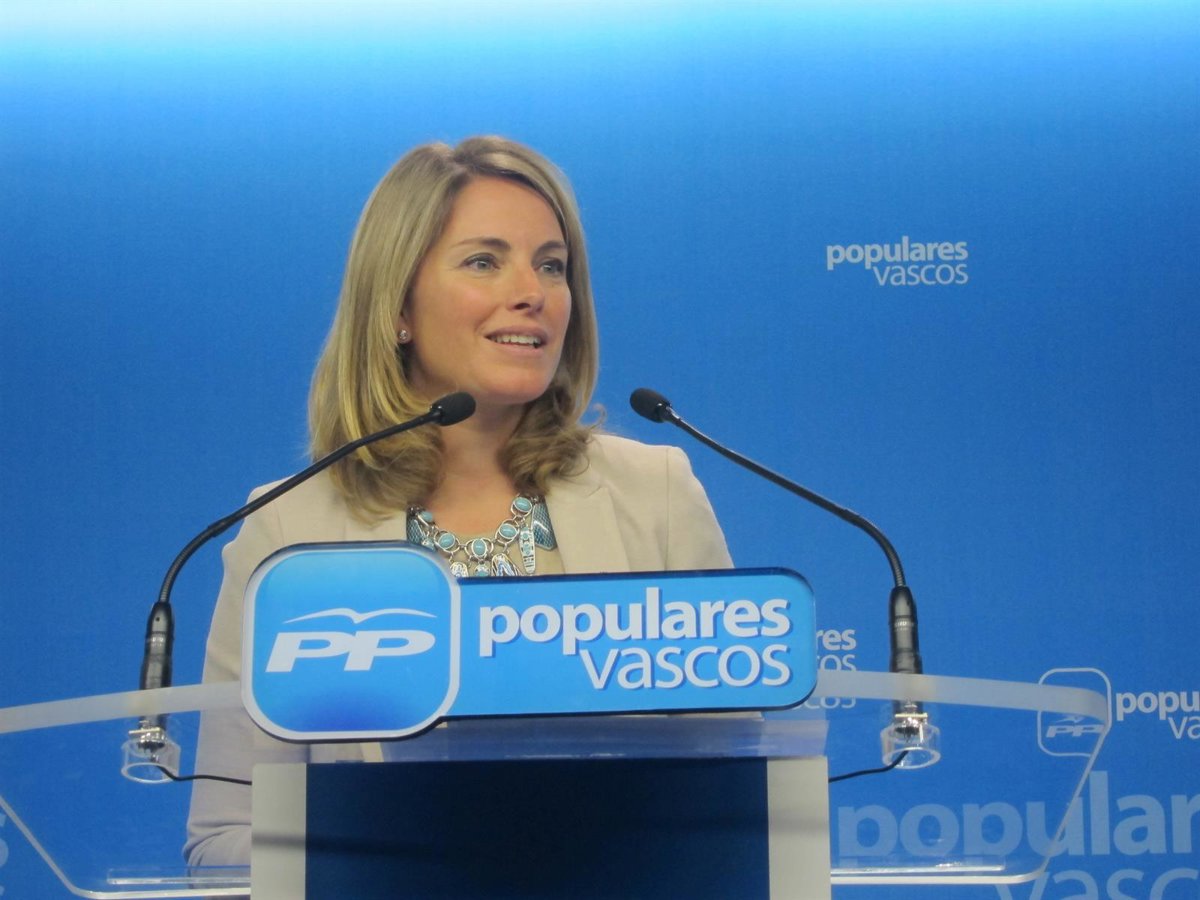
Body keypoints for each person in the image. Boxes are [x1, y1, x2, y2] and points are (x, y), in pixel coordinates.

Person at [184, 136, 731, 867]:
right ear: (398, 305)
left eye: (552, 265)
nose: (532, 292)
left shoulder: (656, 494)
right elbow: (226, 836)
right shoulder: (288, 528)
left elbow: (735, 805)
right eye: (483, 261)